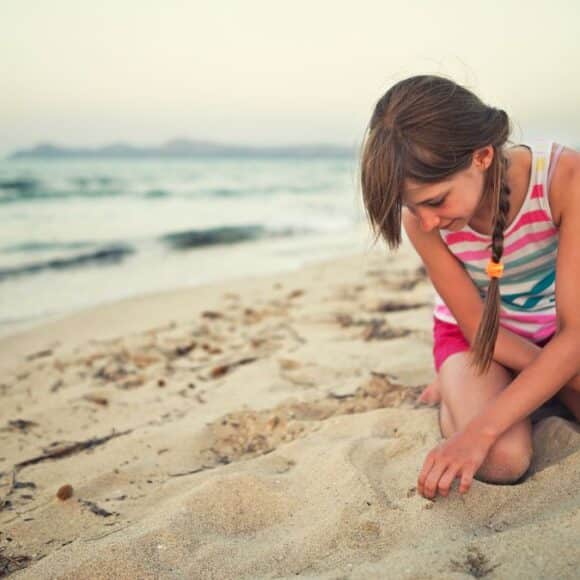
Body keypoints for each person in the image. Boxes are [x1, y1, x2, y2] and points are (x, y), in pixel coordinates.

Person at [359, 74, 580, 500]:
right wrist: (478, 432)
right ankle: (461, 384)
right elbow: (481, 332)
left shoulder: (563, 179)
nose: (425, 222)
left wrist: (559, 371)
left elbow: (574, 334)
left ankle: (491, 387)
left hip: (559, 334)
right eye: (412, 207)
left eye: (436, 200)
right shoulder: (425, 224)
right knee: (502, 459)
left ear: (480, 156)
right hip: (478, 340)